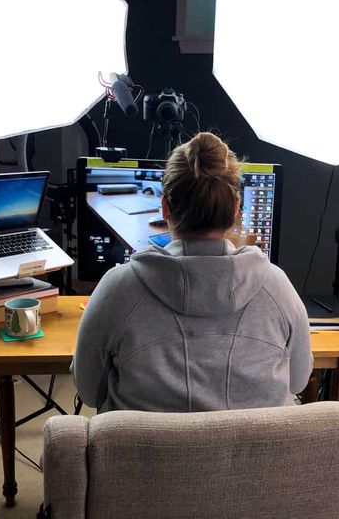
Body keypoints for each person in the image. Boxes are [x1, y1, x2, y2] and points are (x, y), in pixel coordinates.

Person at [72, 132, 312, 413]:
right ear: (236, 209)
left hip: (146, 456)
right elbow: (297, 382)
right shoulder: (277, 287)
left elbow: (89, 390)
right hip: (253, 456)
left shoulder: (117, 288)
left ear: (165, 207)